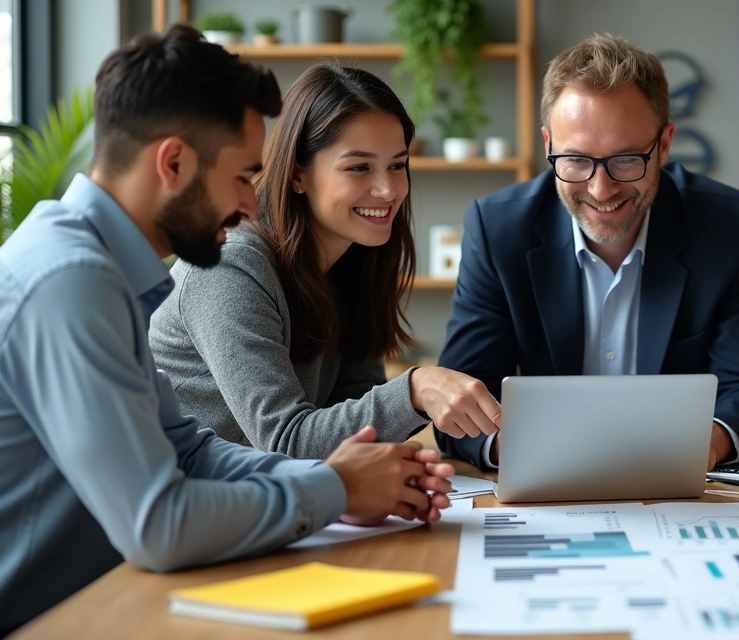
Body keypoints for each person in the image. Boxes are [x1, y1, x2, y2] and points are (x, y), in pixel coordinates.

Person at [0, 28, 453, 634]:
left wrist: (345, 480)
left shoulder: (98, 268)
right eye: (243, 176)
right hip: (53, 616)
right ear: (174, 162)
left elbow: (186, 450)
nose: (249, 205)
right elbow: (157, 525)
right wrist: (336, 491)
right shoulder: (71, 280)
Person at [436, 34, 739, 470]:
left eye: (625, 160)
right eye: (577, 160)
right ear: (548, 145)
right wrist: (523, 449)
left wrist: (706, 443)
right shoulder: (497, 230)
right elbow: (462, 392)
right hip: (549, 477)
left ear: (664, 145)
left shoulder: (728, 228)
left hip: (679, 483)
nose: (601, 190)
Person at [149, 62, 501, 459]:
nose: (387, 190)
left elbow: (355, 418)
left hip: (276, 506)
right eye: (359, 167)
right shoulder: (228, 266)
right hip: (190, 508)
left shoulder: (352, 261)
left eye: (397, 165)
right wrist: (415, 391)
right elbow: (286, 442)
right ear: (298, 174)